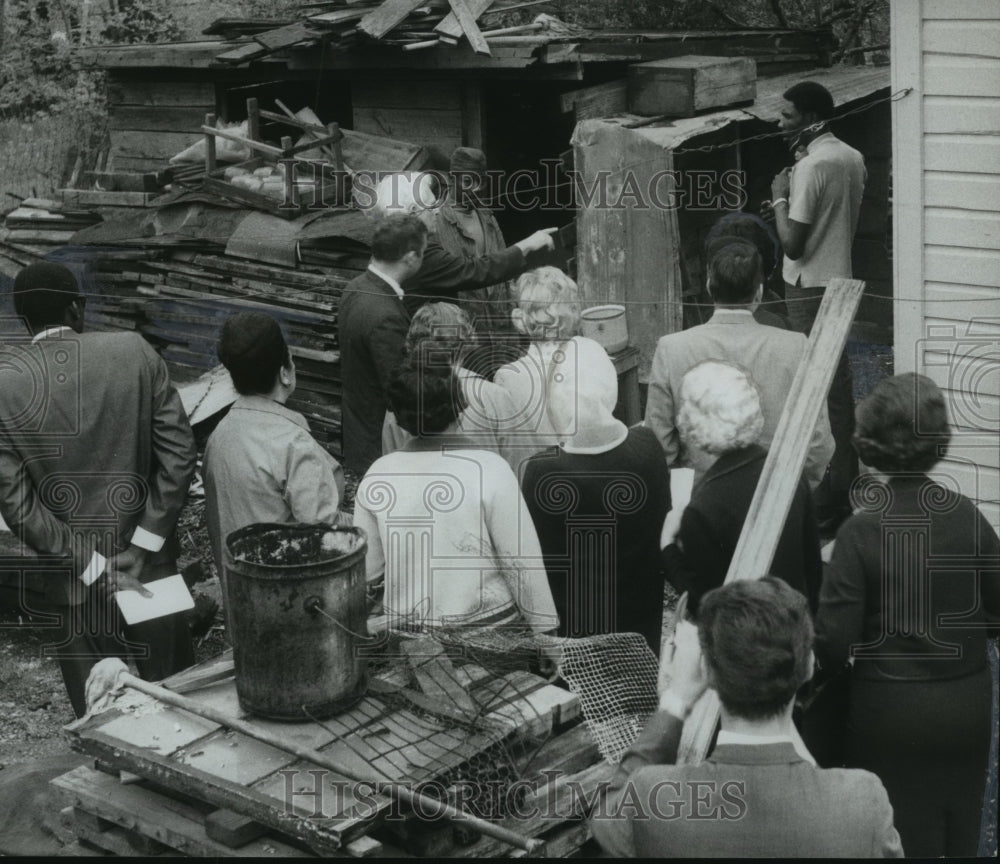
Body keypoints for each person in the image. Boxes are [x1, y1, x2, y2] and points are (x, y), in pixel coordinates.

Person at [814, 373, 999, 858]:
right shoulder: (967, 515)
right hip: (966, 706)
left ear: (870, 443)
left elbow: (833, 646)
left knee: (899, 839)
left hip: (889, 713)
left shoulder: (860, 532)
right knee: (962, 831)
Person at [0, 261, 196, 717]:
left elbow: (17, 505)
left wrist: (91, 564)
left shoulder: (5, 384)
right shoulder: (134, 351)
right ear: (76, 309)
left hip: (74, 586)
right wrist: (145, 545)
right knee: (184, 709)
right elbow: (180, 455)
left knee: (100, 722)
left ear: (23, 320)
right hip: (150, 571)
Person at [590, 578, 904, 858]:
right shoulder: (863, 801)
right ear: (808, 665)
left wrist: (677, 700)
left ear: (707, 672)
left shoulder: (652, 796)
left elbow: (606, 817)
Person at [354, 363, 558, 634]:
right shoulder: (490, 468)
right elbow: (522, 566)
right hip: (491, 633)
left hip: (410, 638)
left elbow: (369, 573)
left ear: (399, 419)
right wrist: (546, 636)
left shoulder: (377, 475)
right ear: (461, 408)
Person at [521, 337, 670, 653]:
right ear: (608, 385)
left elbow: (539, 557)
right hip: (640, 623)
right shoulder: (648, 446)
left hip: (577, 630)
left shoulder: (543, 471)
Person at [644, 240, 834, 487]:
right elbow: (818, 443)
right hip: (777, 496)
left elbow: (659, 447)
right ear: (759, 292)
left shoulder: (671, 348)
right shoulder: (796, 346)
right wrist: (796, 491)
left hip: (701, 499)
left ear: (709, 286)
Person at [768, 80, 867, 531]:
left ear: (810, 119)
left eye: (787, 116)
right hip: (841, 280)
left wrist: (778, 195)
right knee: (838, 387)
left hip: (809, 287)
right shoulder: (852, 157)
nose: (779, 122)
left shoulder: (810, 168)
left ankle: (826, 500)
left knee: (815, 391)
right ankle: (845, 485)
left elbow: (791, 244)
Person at [203, 311, 343, 605]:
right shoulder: (293, 443)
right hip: (292, 606)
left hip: (243, 602)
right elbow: (325, 539)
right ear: (285, 370)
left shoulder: (219, 436)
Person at [660, 361, 822, 616]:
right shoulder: (788, 470)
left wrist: (667, 547)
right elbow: (812, 566)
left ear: (691, 424)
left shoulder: (702, 508)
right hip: (796, 626)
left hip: (748, 645)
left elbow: (704, 603)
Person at [339, 213, 426, 475]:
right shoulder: (386, 314)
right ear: (410, 258)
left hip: (358, 430)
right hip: (380, 446)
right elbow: (400, 391)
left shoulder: (355, 288)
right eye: (423, 252)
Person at [381, 302, 517, 467]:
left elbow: (391, 463)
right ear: (465, 342)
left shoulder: (402, 396)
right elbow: (518, 463)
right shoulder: (493, 396)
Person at [492, 266, 594, 476]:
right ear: (571, 310)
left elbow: (511, 452)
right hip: (594, 475)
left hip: (541, 486)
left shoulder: (508, 377)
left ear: (522, 317)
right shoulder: (590, 356)